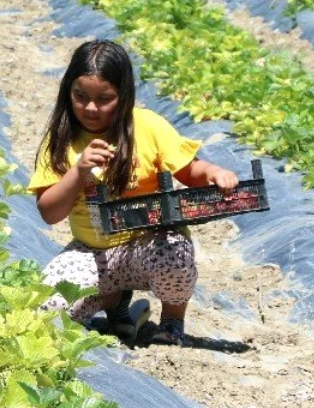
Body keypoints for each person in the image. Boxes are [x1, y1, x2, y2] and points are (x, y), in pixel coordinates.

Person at [28, 40, 238, 346]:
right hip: (91, 253)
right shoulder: (62, 139)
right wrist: (79, 171)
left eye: (105, 99)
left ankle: (171, 321)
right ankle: (114, 300)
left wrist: (215, 174)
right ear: (67, 92)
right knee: (46, 313)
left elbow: (190, 171)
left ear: (124, 95)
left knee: (175, 252)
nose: (90, 107)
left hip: (147, 245)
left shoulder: (148, 126)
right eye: (80, 96)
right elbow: (50, 213)